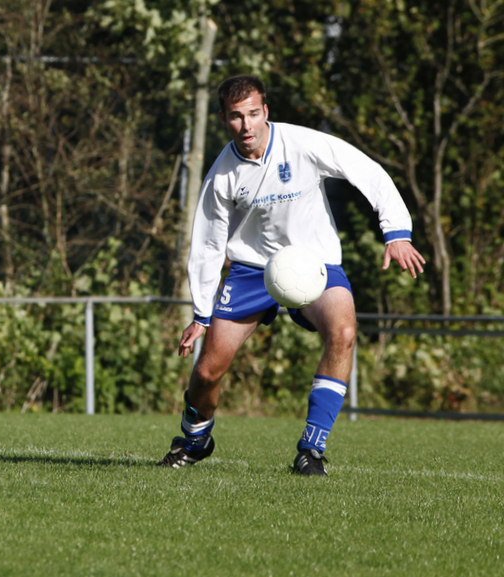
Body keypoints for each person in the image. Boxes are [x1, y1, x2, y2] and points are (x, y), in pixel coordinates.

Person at [160, 75, 425, 476]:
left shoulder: (303, 143)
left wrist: (397, 232)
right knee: (208, 370)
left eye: (253, 114)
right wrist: (201, 313)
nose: (246, 125)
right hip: (251, 270)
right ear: (223, 119)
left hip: (314, 262)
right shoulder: (222, 175)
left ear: (265, 111)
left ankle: (311, 450)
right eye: (236, 117)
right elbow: (208, 245)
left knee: (344, 332)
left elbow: (366, 170)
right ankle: (195, 441)